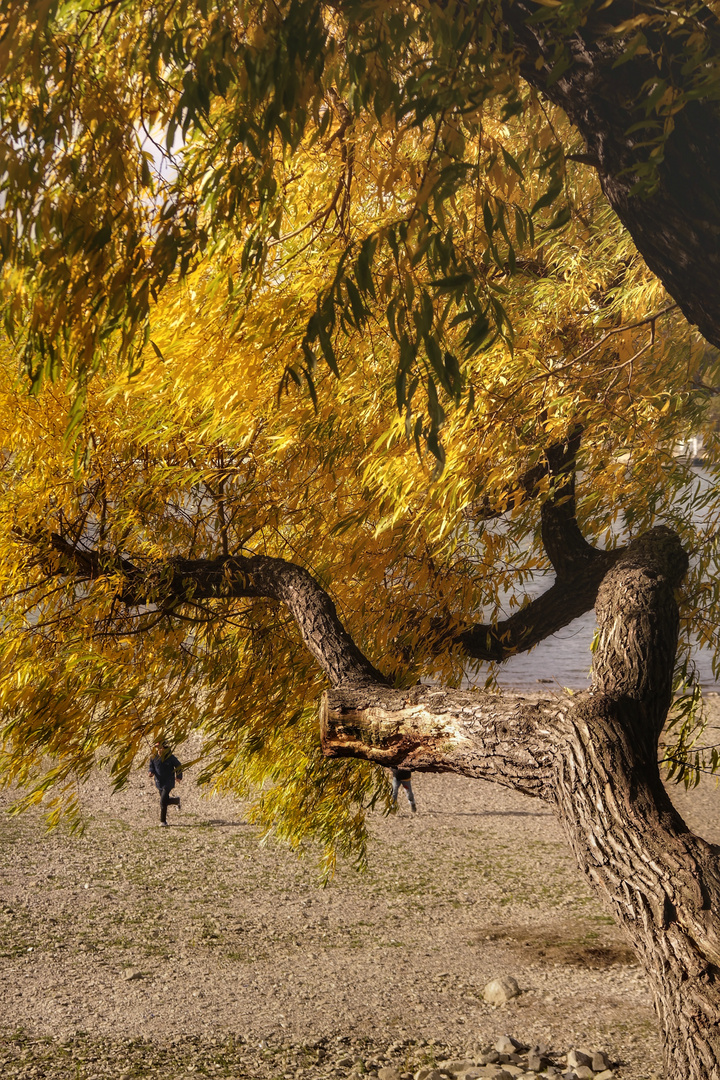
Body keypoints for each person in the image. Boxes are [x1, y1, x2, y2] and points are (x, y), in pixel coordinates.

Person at [148, 740, 184, 826]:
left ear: (165, 749)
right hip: (159, 782)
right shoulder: (153, 757)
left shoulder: (170, 757)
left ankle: (163, 821)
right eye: (157, 748)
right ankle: (176, 800)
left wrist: (178, 776)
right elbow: (151, 766)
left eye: (160, 748)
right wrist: (151, 772)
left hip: (169, 782)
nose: (159, 750)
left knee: (162, 801)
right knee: (165, 801)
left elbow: (179, 766)